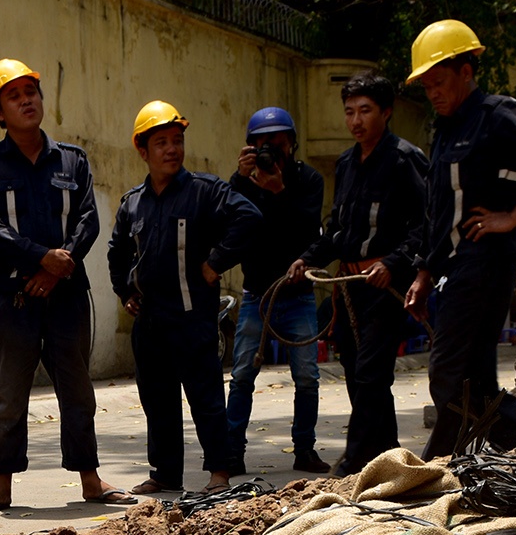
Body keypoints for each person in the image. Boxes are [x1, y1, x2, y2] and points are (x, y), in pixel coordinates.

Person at [0, 59, 128, 513]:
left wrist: (58, 266)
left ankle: (91, 479)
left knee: (77, 391)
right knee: (10, 395)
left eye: (31, 91)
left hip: (67, 295)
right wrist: (40, 257)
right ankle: (3, 485)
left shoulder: (71, 160)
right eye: (13, 96)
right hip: (12, 297)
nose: (26, 101)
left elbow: (88, 220)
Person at [404, 20, 516, 458]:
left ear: (466, 71)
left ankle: (438, 465)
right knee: (475, 382)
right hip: (456, 268)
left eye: (439, 82)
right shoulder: (444, 130)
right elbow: (439, 212)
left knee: (446, 374)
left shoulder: (497, 115)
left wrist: (513, 215)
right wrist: (424, 272)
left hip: (484, 266)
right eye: (426, 87)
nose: (433, 93)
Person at [107, 101, 259, 495]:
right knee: (157, 402)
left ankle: (220, 473)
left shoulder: (204, 191)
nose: (172, 149)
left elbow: (248, 218)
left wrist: (216, 262)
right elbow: (117, 251)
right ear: (143, 150)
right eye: (161, 142)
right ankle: (165, 473)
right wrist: (126, 291)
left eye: (177, 140)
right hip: (151, 321)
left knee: (205, 397)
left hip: (193, 317)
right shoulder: (133, 202)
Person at [295, 71, 427, 476]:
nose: (355, 120)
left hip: (385, 288)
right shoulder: (347, 163)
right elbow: (338, 228)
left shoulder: (406, 159)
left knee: (371, 372)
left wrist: (394, 264)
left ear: (385, 113)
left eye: (365, 110)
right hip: (349, 289)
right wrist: (308, 258)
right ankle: (387, 455)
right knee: (356, 372)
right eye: (349, 111)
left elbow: (426, 224)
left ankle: (353, 459)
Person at [224, 105, 328, 475]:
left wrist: (279, 191)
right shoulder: (242, 185)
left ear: (292, 144)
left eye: (277, 143)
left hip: (297, 293)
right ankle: (231, 453)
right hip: (256, 294)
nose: (271, 151)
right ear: (250, 148)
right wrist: (240, 180)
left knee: (306, 376)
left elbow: (306, 231)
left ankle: (305, 449)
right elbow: (229, 224)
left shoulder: (308, 181)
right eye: (262, 144)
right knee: (241, 376)